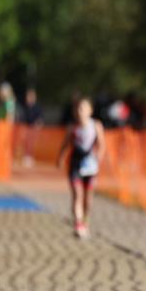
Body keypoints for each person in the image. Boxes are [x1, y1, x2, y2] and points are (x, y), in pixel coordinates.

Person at [57, 97, 105, 239]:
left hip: (90, 167)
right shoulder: (72, 128)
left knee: (88, 199)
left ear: (90, 110)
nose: (80, 111)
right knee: (77, 195)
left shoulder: (96, 125)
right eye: (78, 108)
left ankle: (85, 220)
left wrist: (99, 156)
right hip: (75, 165)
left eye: (83, 108)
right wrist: (60, 158)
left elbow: (102, 144)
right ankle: (78, 224)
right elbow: (65, 145)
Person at [19, 88, 44, 167]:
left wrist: (39, 123)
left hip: (33, 128)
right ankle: (26, 157)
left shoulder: (37, 107)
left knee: (32, 143)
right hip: (26, 127)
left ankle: (30, 157)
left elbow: (40, 118)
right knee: (26, 143)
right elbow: (22, 117)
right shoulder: (25, 107)